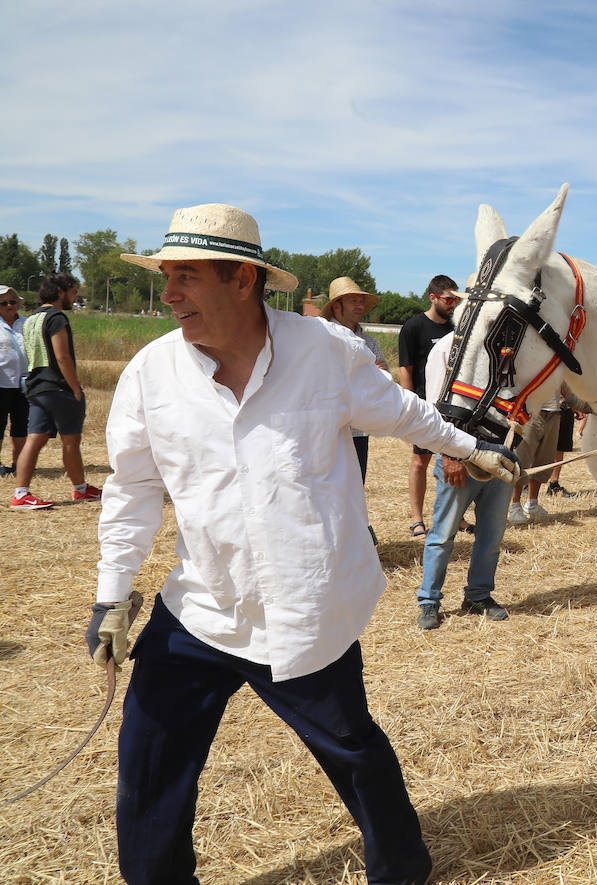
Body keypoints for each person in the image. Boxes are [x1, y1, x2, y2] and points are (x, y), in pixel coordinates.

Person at [84, 203, 519, 885]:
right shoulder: (150, 375)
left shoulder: (326, 352)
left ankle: (402, 867)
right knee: (148, 757)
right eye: (166, 276)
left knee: (353, 749)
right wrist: (112, 596)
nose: (168, 294)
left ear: (244, 282)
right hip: (202, 605)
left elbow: (403, 412)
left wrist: (472, 448)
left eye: (186, 277)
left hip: (303, 607)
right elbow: (133, 489)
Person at [415, 326, 522, 628]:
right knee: (443, 534)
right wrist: (448, 456)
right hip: (459, 457)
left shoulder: (507, 349)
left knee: (490, 536)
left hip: (498, 455)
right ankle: (429, 601)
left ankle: (478, 595)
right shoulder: (448, 347)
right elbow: (434, 409)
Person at [12, 272, 99, 509]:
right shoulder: (57, 318)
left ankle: (20, 493)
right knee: (70, 441)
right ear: (61, 292)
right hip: (58, 389)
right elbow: (62, 357)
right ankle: (80, 489)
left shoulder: (30, 320)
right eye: (73, 293)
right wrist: (75, 388)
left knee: (34, 439)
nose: (74, 298)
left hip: (36, 386)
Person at [397, 275, 458, 538]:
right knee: (421, 461)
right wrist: (411, 406)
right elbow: (405, 369)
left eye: (456, 299)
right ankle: (417, 520)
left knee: (455, 461)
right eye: (448, 299)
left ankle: (457, 517)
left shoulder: (458, 327)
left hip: (455, 408)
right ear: (433, 297)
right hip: (425, 406)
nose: (453, 304)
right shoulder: (414, 327)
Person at [319, 275, 388, 481]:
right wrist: (368, 374)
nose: (360, 306)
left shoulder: (369, 341)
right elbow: (324, 381)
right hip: (327, 431)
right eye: (353, 301)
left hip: (358, 432)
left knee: (355, 492)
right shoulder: (321, 336)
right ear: (336, 306)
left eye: (361, 301)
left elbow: (384, 380)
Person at [508, 395, 563, 524]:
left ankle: (532, 503)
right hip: (530, 413)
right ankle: (515, 506)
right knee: (521, 460)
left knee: (545, 459)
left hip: (554, 414)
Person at [0, 286, 27, 477]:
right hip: (1, 383)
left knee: (20, 426)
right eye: (4, 303)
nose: (9, 305)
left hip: (24, 383)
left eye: (13, 302)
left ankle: (19, 463)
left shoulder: (27, 324)